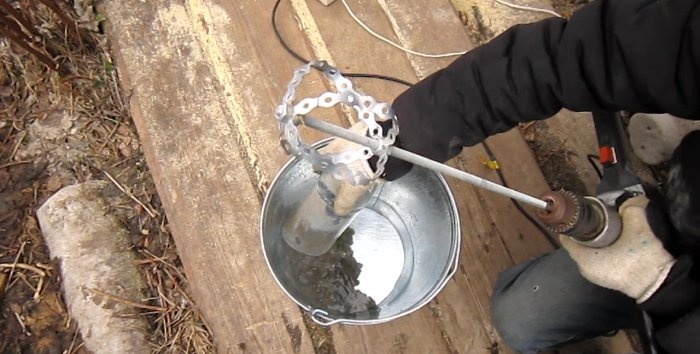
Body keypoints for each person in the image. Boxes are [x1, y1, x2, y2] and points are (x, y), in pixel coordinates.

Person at [380, 0, 700, 353]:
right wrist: (399, 138)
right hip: (683, 219)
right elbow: (592, 52)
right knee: (520, 317)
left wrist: (660, 288)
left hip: (677, 308)